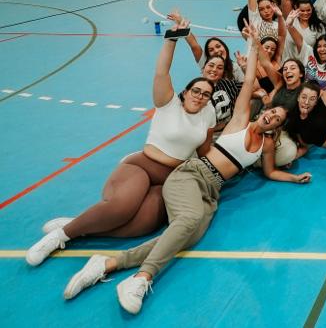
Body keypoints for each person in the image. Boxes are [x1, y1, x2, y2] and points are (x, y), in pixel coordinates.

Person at [61, 34, 309, 313]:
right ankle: (141, 278)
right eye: (271, 112)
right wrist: (253, 47)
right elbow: (250, 79)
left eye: (277, 119)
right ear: (264, 110)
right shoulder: (241, 120)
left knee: (186, 235)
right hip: (191, 175)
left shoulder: (265, 145)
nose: (271, 116)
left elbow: (271, 172)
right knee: (188, 221)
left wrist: (295, 177)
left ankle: (108, 263)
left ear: (276, 127)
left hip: (212, 193)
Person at [26, 18, 216, 266]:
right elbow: (162, 71)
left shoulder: (208, 113)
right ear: (186, 92)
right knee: (122, 208)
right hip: (144, 165)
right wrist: (172, 39)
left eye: (206, 94)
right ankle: (59, 237)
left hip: (172, 178)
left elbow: (204, 150)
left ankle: (80, 227)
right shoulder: (168, 103)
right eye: (196, 91)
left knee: (144, 224)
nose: (200, 96)